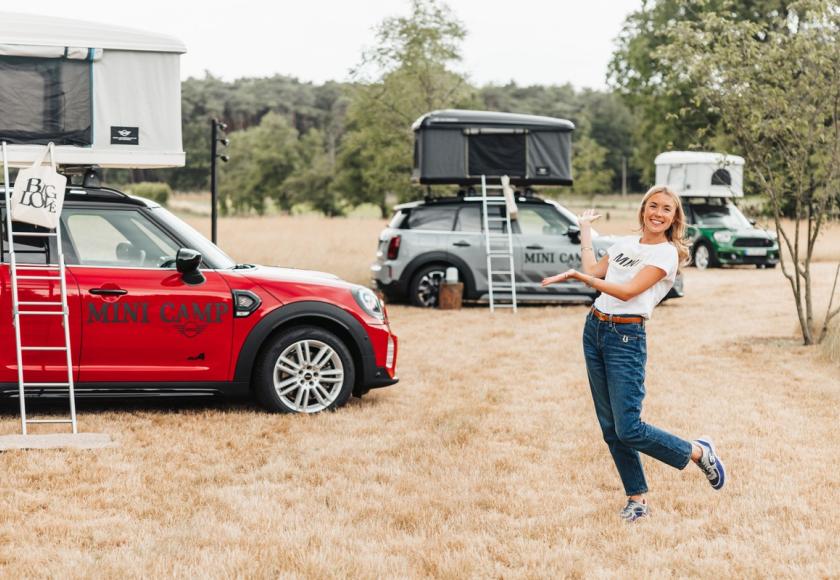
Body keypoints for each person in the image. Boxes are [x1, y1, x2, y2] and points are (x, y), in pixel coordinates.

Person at [541, 185, 726, 523]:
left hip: (626, 337)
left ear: (673, 218)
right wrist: (584, 229)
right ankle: (637, 499)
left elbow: (627, 292)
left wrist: (579, 277)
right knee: (611, 427)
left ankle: (699, 452)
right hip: (594, 329)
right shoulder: (624, 245)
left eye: (666, 209)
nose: (658, 213)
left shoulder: (666, 254)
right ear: (643, 210)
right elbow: (595, 272)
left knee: (630, 427)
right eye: (652, 206)